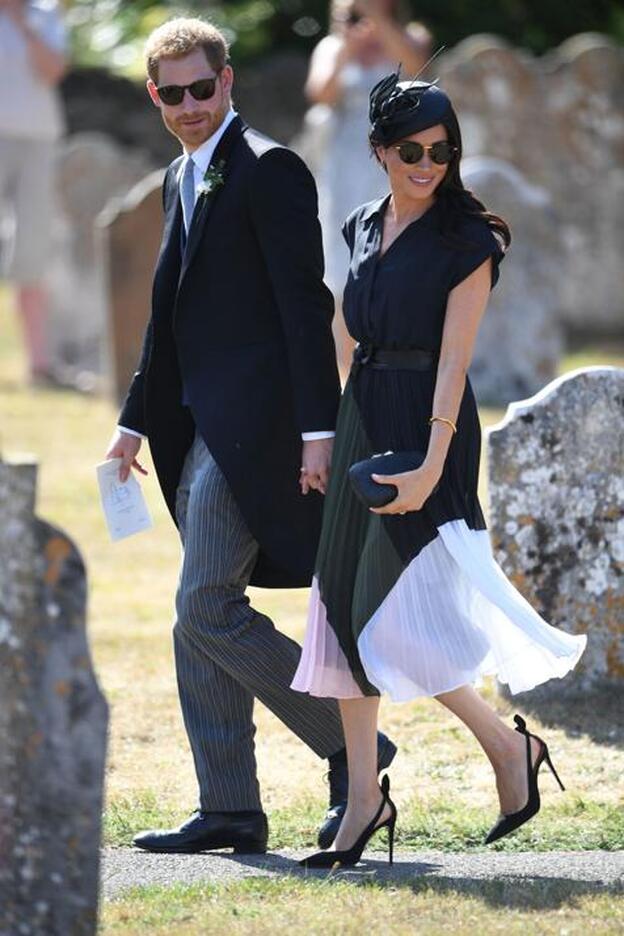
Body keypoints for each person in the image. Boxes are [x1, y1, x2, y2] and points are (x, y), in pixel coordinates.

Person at [105, 17, 397, 856]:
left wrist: (317, 432)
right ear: (155, 97)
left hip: (265, 431)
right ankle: (230, 805)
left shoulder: (271, 170)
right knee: (194, 614)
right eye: (175, 94)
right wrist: (131, 425)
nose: (192, 105)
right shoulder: (177, 177)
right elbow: (168, 321)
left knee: (203, 606)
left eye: (205, 88)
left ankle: (355, 746)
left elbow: (308, 310)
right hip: (196, 431)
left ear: (227, 81)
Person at [292, 72, 587, 867]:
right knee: (343, 614)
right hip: (363, 425)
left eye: (443, 150)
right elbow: (346, 341)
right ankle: (363, 801)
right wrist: (325, 438)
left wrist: (427, 464)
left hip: (432, 431)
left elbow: (455, 363)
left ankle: (504, 748)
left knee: (396, 611)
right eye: (413, 149)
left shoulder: (470, 240)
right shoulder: (358, 224)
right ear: (380, 150)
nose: (429, 163)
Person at [302, 0, 431, 373]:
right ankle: (348, 371)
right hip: (345, 168)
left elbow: (418, 70)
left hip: (397, 166)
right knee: (343, 269)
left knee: (399, 260)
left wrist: (379, 21)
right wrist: (347, 44)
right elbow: (320, 93)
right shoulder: (332, 46)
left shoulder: (411, 37)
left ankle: (395, 364)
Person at [0, 0, 67, 384]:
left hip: (39, 140)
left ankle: (40, 363)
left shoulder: (45, 13)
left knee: (33, 249)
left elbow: (52, 71)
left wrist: (23, 24)